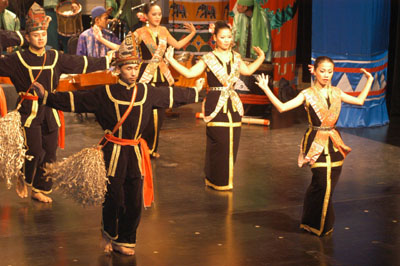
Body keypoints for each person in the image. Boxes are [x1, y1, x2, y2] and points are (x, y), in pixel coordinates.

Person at [34, 32, 203, 255]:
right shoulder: (106, 93)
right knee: (114, 198)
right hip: (113, 152)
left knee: (133, 199)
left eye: (136, 68)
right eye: (128, 68)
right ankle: (108, 233)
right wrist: (47, 97)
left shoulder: (146, 92)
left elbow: (172, 94)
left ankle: (126, 240)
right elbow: (76, 100)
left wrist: (196, 91)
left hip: (135, 152)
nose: (134, 73)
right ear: (118, 69)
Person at [0, 2, 111, 203]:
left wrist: (107, 62)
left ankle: (40, 189)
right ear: (28, 38)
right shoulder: (17, 59)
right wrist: (15, 38)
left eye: (43, 33)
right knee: (34, 151)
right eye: (36, 35)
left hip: (50, 108)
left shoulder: (54, 57)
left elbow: (80, 63)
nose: (41, 38)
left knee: (50, 152)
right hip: (28, 111)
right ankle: (24, 178)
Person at [255, 56, 374, 236]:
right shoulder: (307, 94)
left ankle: (311, 221)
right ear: (315, 72)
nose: (326, 75)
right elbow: (282, 107)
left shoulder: (336, 92)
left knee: (325, 186)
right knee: (321, 183)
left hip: (334, 142)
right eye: (322, 71)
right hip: (316, 141)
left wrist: (369, 81)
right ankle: (321, 225)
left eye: (330, 71)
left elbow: (359, 101)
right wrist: (266, 89)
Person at [165, 20, 265, 190]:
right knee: (219, 142)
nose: (226, 40)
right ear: (215, 38)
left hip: (232, 103)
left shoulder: (236, 57)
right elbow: (190, 73)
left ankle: (227, 180)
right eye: (222, 37)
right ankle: (215, 178)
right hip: (216, 101)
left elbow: (247, 71)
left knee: (232, 142)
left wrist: (261, 58)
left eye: (229, 37)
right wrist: (171, 60)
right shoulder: (208, 58)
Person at [133, 1, 197, 158]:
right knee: (145, 114)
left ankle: (152, 148)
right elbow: (124, 48)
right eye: (154, 14)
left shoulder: (163, 31)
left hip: (161, 76)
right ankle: (141, 147)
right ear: (146, 16)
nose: (157, 17)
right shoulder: (140, 32)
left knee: (159, 115)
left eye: (159, 14)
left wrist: (192, 33)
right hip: (145, 76)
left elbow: (177, 44)